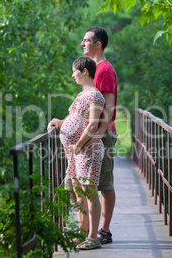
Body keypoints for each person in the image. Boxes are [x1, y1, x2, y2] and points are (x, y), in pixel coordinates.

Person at [48, 56, 105, 250]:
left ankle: (93, 237)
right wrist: (60, 122)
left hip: (87, 151)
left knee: (89, 192)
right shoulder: (82, 94)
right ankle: (81, 234)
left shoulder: (95, 96)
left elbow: (92, 124)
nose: (72, 75)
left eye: (74, 71)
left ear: (85, 72)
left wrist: (79, 145)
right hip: (75, 153)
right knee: (78, 192)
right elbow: (76, 118)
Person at [80, 26, 118, 244]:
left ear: (98, 45)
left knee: (104, 182)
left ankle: (104, 231)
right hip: (92, 135)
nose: (82, 43)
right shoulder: (93, 70)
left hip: (101, 135)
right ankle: (88, 230)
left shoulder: (104, 70)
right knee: (91, 183)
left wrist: (98, 135)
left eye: (86, 40)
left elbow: (109, 106)